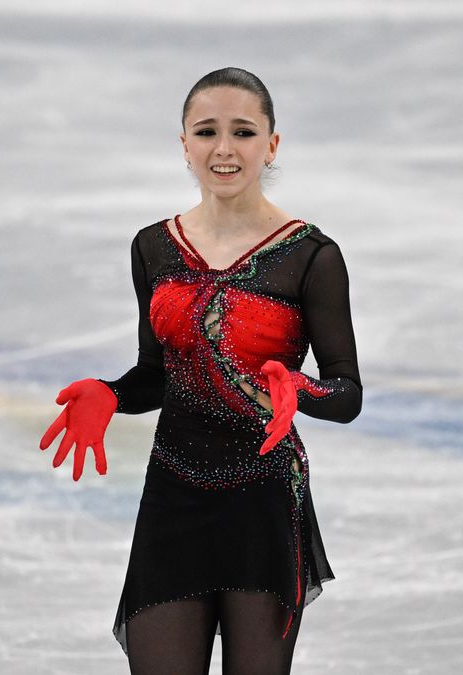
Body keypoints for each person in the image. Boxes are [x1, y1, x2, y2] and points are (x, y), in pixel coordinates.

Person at [39, 66, 362, 674]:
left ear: (272, 144)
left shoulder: (312, 257)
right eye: (206, 131)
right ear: (183, 143)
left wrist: (301, 389)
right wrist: (112, 394)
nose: (224, 148)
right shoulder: (153, 247)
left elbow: (347, 392)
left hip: (263, 499)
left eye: (243, 132)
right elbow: (158, 375)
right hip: (174, 494)